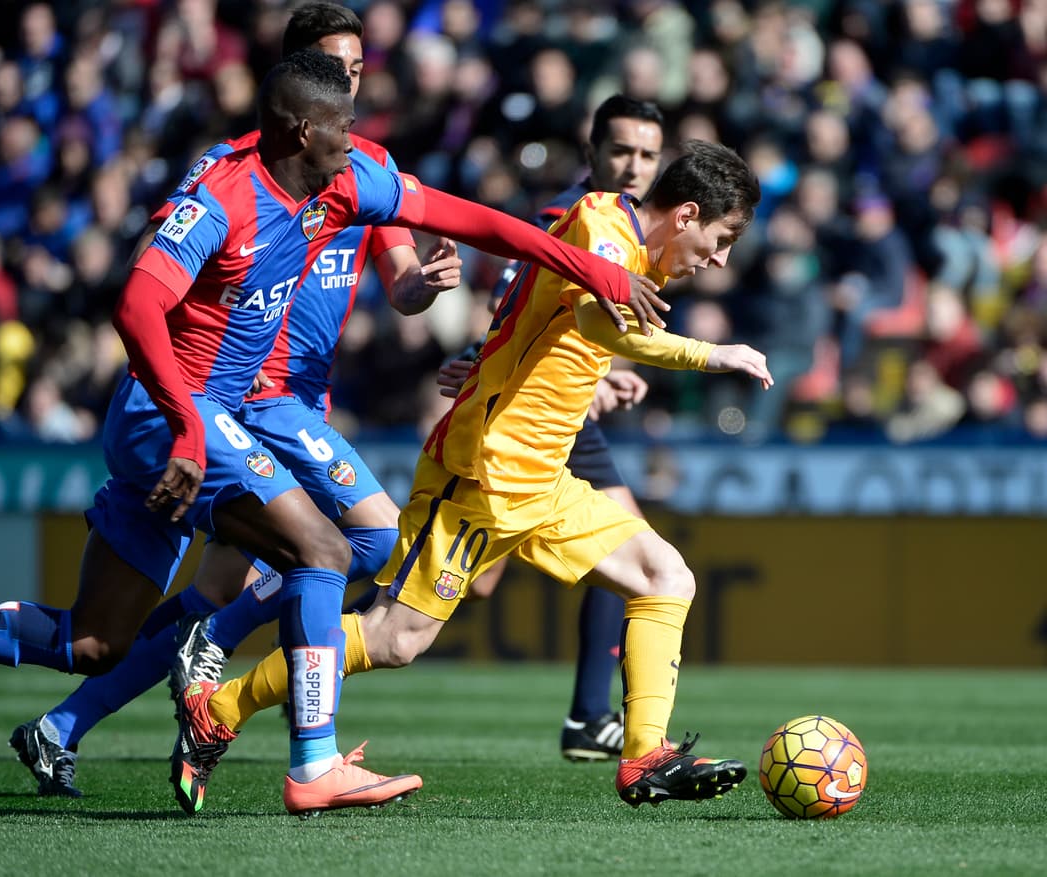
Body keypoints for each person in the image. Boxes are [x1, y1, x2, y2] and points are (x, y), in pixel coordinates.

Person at [0, 49, 668, 818]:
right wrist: (188, 424)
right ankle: (310, 760)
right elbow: (136, 303)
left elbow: (471, 218)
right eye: (341, 124)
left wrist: (589, 268)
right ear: (300, 125)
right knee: (323, 553)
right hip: (170, 414)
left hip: (225, 417)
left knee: (93, 639)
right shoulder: (222, 194)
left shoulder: (343, 183)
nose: (356, 138)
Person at [172, 140, 771, 812]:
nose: (718, 260)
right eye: (721, 240)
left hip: (544, 479)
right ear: (688, 214)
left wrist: (489, 355)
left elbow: (543, 309)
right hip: (483, 475)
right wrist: (714, 354)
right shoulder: (603, 233)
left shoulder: (618, 239)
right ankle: (217, 708)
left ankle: (644, 757)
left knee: (667, 576)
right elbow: (603, 324)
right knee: (394, 637)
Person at [5, 2, 463, 803]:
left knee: (229, 589)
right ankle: (243, 704)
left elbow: (399, 286)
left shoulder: (365, 163)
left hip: (303, 403)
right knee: (363, 536)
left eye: (359, 65)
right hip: (253, 399)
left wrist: (422, 286)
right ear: (299, 80)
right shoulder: (241, 167)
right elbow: (172, 272)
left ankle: (66, 725)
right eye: (335, 64)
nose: (352, 76)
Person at [452, 95, 667, 762]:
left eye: (647, 155)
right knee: (457, 583)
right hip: (533, 418)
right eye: (622, 151)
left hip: (571, 416)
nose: (633, 166)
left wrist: (608, 374)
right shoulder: (565, 218)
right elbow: (511, 304)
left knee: (632, 557)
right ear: (593, 153)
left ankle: (588, 716)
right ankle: (309, 627)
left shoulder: (627, 226)